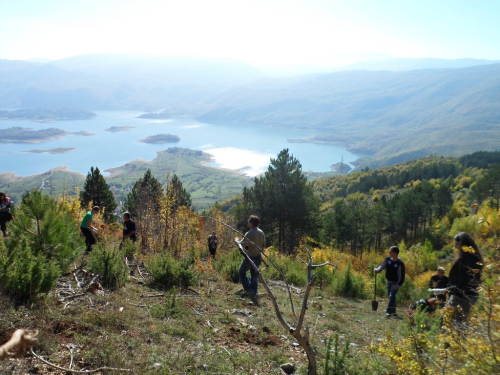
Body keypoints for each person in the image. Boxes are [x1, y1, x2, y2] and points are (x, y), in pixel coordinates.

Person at [446, 232, 483, 324]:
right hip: (469, 294)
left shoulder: (466, 261)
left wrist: (446, 289)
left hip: (462, 295)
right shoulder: (474, 258)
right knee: (460, 322)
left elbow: (463, 283)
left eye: (456, 244)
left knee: (446, 320)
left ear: (462, 244)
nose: (455, 247)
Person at [235, 215, 265, 301]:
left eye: (249, 221)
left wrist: (236, 240)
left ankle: (248, 290)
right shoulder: (261, 232)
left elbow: (241, 244)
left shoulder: (250, 233)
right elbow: (263, 245)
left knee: (241, 272)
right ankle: (254, 292)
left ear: (251, 223)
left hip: (250, 258)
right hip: (258, 257)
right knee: (254, 275)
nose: (248, 223)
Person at [374, 246, 405, 317]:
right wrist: (377, 270)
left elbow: (401, 276)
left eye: (390, 251)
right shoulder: (388, 259)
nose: (389, 252)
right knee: (390, 296)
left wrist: (398, 285)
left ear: (395, 253)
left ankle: (388, 311)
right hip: (389, 281)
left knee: (392, 295)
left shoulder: (400, 263)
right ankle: (393, 311)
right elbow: (382, 265)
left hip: (395, 283)